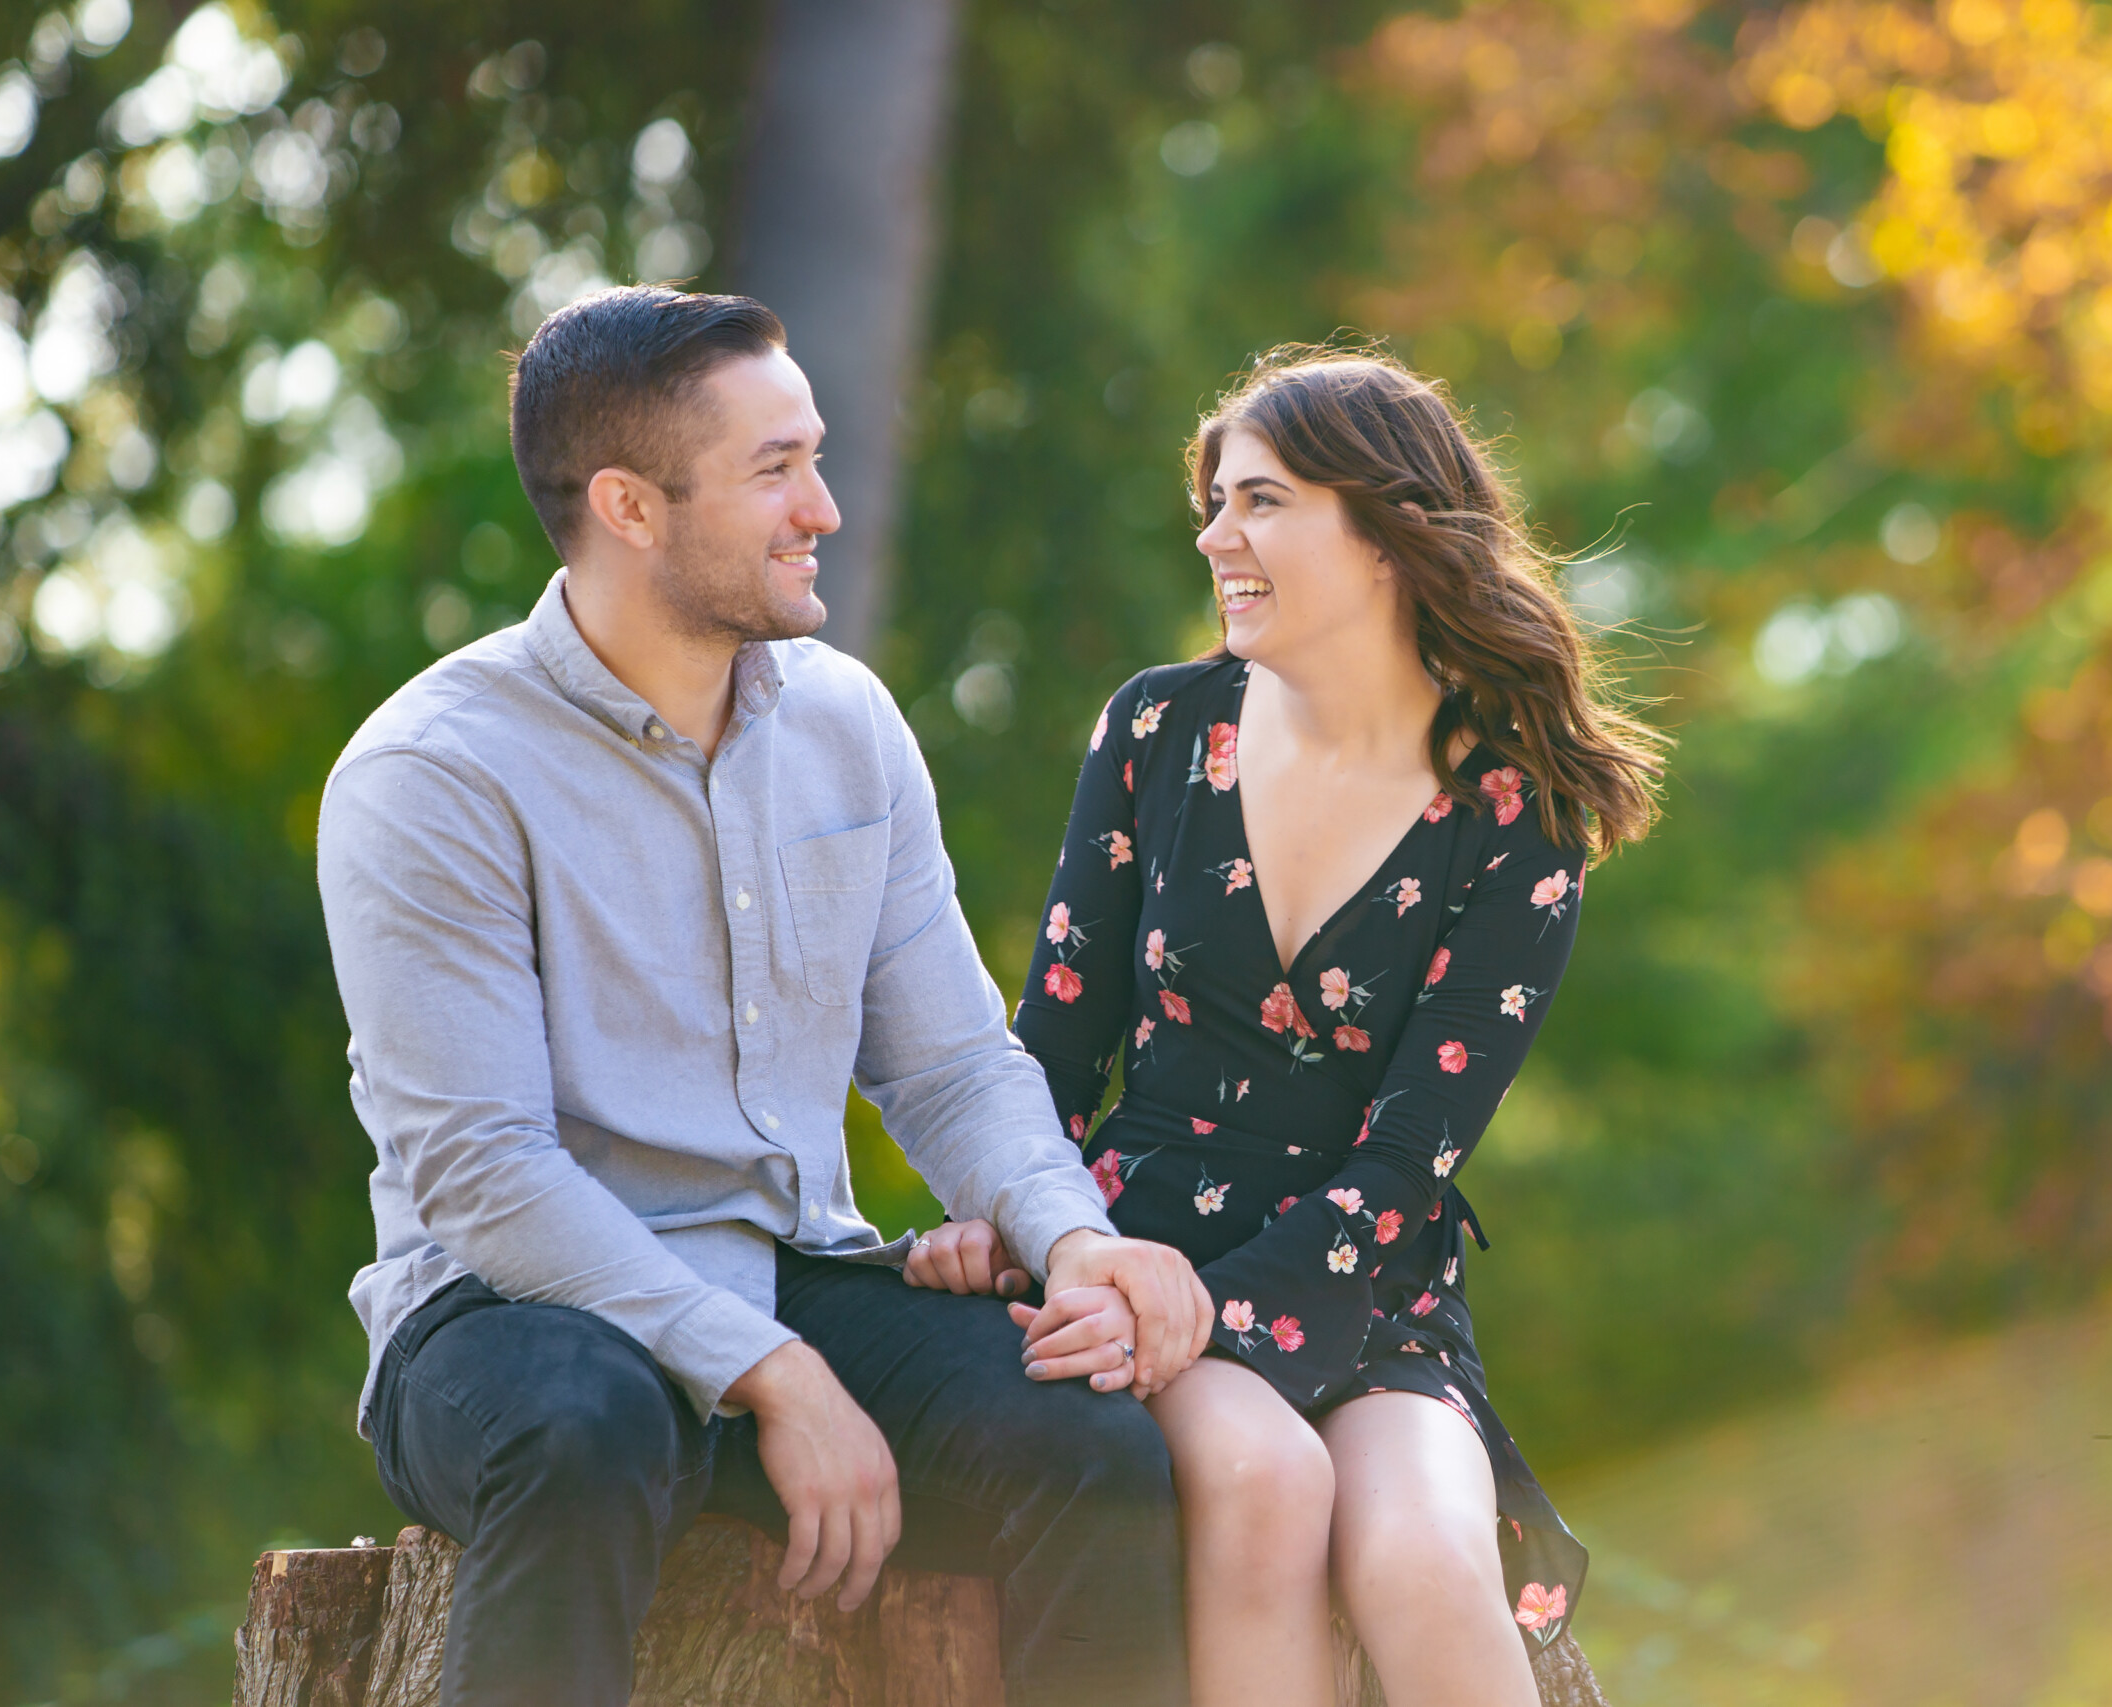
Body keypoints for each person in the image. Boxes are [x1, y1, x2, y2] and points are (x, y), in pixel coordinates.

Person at [315, 285, 1210, 1707]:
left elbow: (950, 1066)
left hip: (796, 1267)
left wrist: (1070, 1237)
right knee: (583, 1426)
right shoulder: (434, 774)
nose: (824, 510)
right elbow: (483, 1177)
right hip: (511, 1315)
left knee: (1099, 1453)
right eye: (774, 470)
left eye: (816, 456)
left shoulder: (848, 722)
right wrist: (775, 1378)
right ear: (629, 506)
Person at [907, 346, 1666, 1706]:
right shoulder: (1155, 729)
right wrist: (1026, 1227)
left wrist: (1223, 1313)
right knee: (1263, 1481)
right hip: (1138, 1249)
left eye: (1259, 500)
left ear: (1383, 532)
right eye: (1213, 502)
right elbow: (1054, 1056)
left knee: (1431, 1561)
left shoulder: (1516, 813)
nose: (1215, 534)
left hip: (1369, 1283)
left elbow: (1407, 1163)